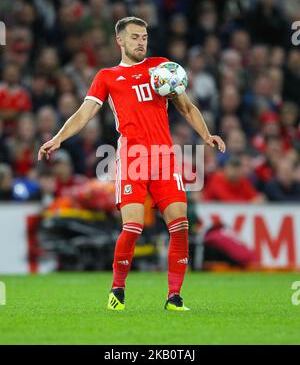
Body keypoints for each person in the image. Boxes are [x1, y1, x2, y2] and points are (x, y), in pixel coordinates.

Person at [38, 16, 225, 312]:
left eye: (144, 37)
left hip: (164, 159)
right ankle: (118, 289)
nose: (141, 42)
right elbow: (84, 113)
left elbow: (186, 107)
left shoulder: (162, 69)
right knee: (133, 227)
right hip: (132, 161)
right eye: (135, 37)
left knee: (180, 225)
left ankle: (174, 297)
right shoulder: (107, 76)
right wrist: (58, 138)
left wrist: (206, 134)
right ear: (120, 41)